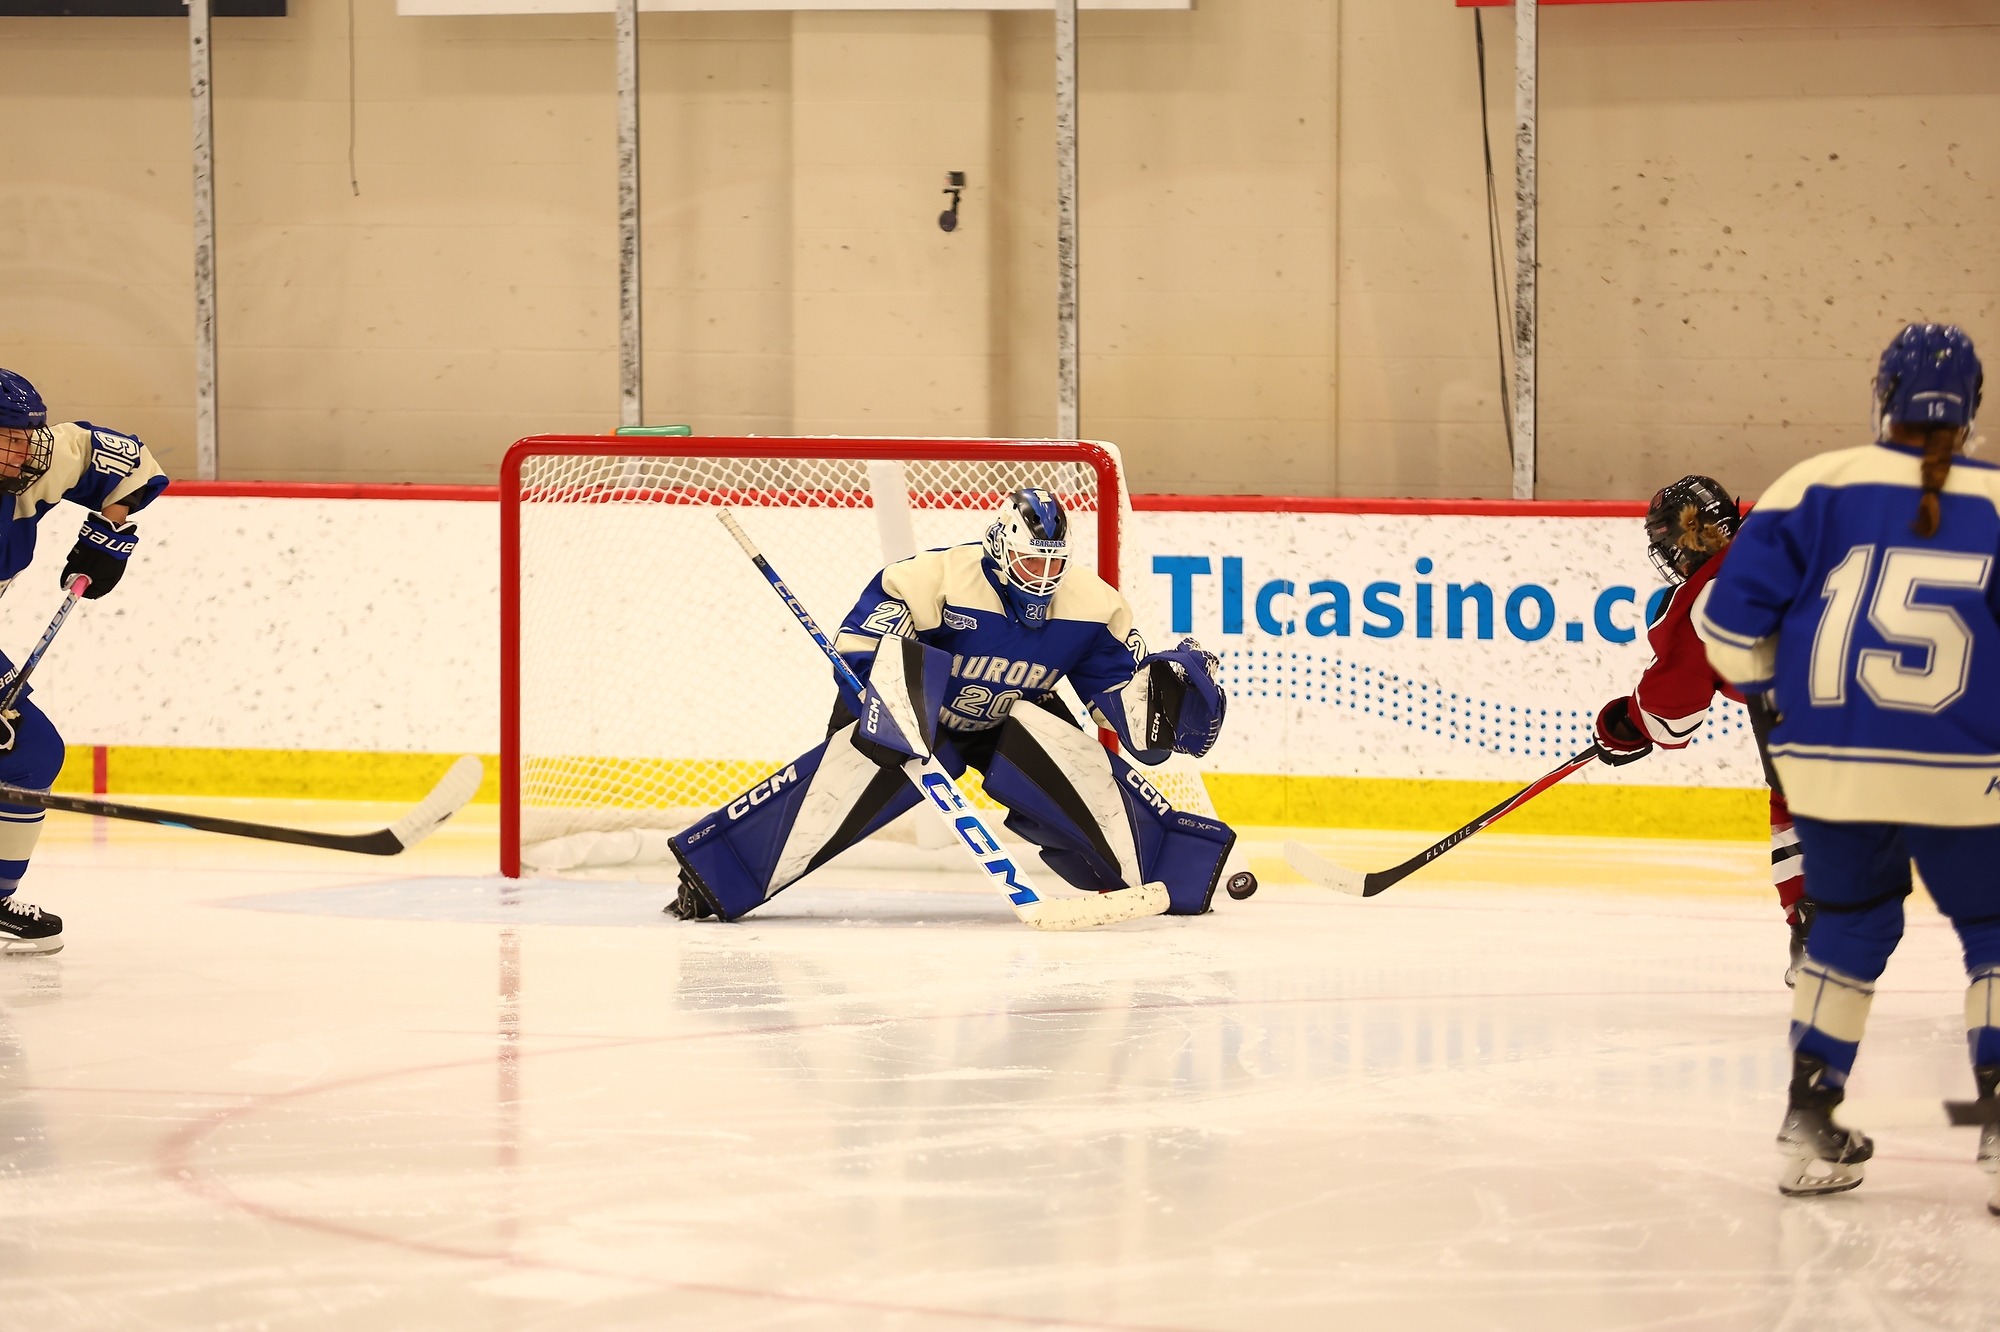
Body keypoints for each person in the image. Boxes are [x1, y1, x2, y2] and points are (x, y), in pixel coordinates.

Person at [1696, 323, 2000, 1210]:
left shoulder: (1811, 484)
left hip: (1828, 770)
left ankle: (1811, 1124)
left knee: (1851, 928)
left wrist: (1777, 702)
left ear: (1883, 397)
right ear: (1972, 409)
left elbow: (1725, 630)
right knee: (1993, 934)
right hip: (1966, 772)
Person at [666, 487, 1236, 922]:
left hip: (1004, 720)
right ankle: (714, 877)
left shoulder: (1092, 605)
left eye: (1052, 564)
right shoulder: (931, 578)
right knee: (842, 781)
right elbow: (864, 648)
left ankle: (1175, 871)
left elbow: (1116, 697)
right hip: (915, 716)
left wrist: (1160, 703)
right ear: (999, 547)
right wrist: (886, 701)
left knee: (1079, 763)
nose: (1041, 577)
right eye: (1029, 562)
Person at [1594, 475, 1814, 985]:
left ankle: (1815, 930)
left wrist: (1628, 723)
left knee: (1795, 808)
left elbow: (1672, 720)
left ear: (1678, 541)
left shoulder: (1700, 598)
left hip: (1808, 717)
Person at [0, 370, 169, 955]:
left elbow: (131, 462)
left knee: (31, 754)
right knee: (28, 748)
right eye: (4, 438)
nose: (19, 451)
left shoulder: (37, 460)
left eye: (24, 437)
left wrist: (109, 529)